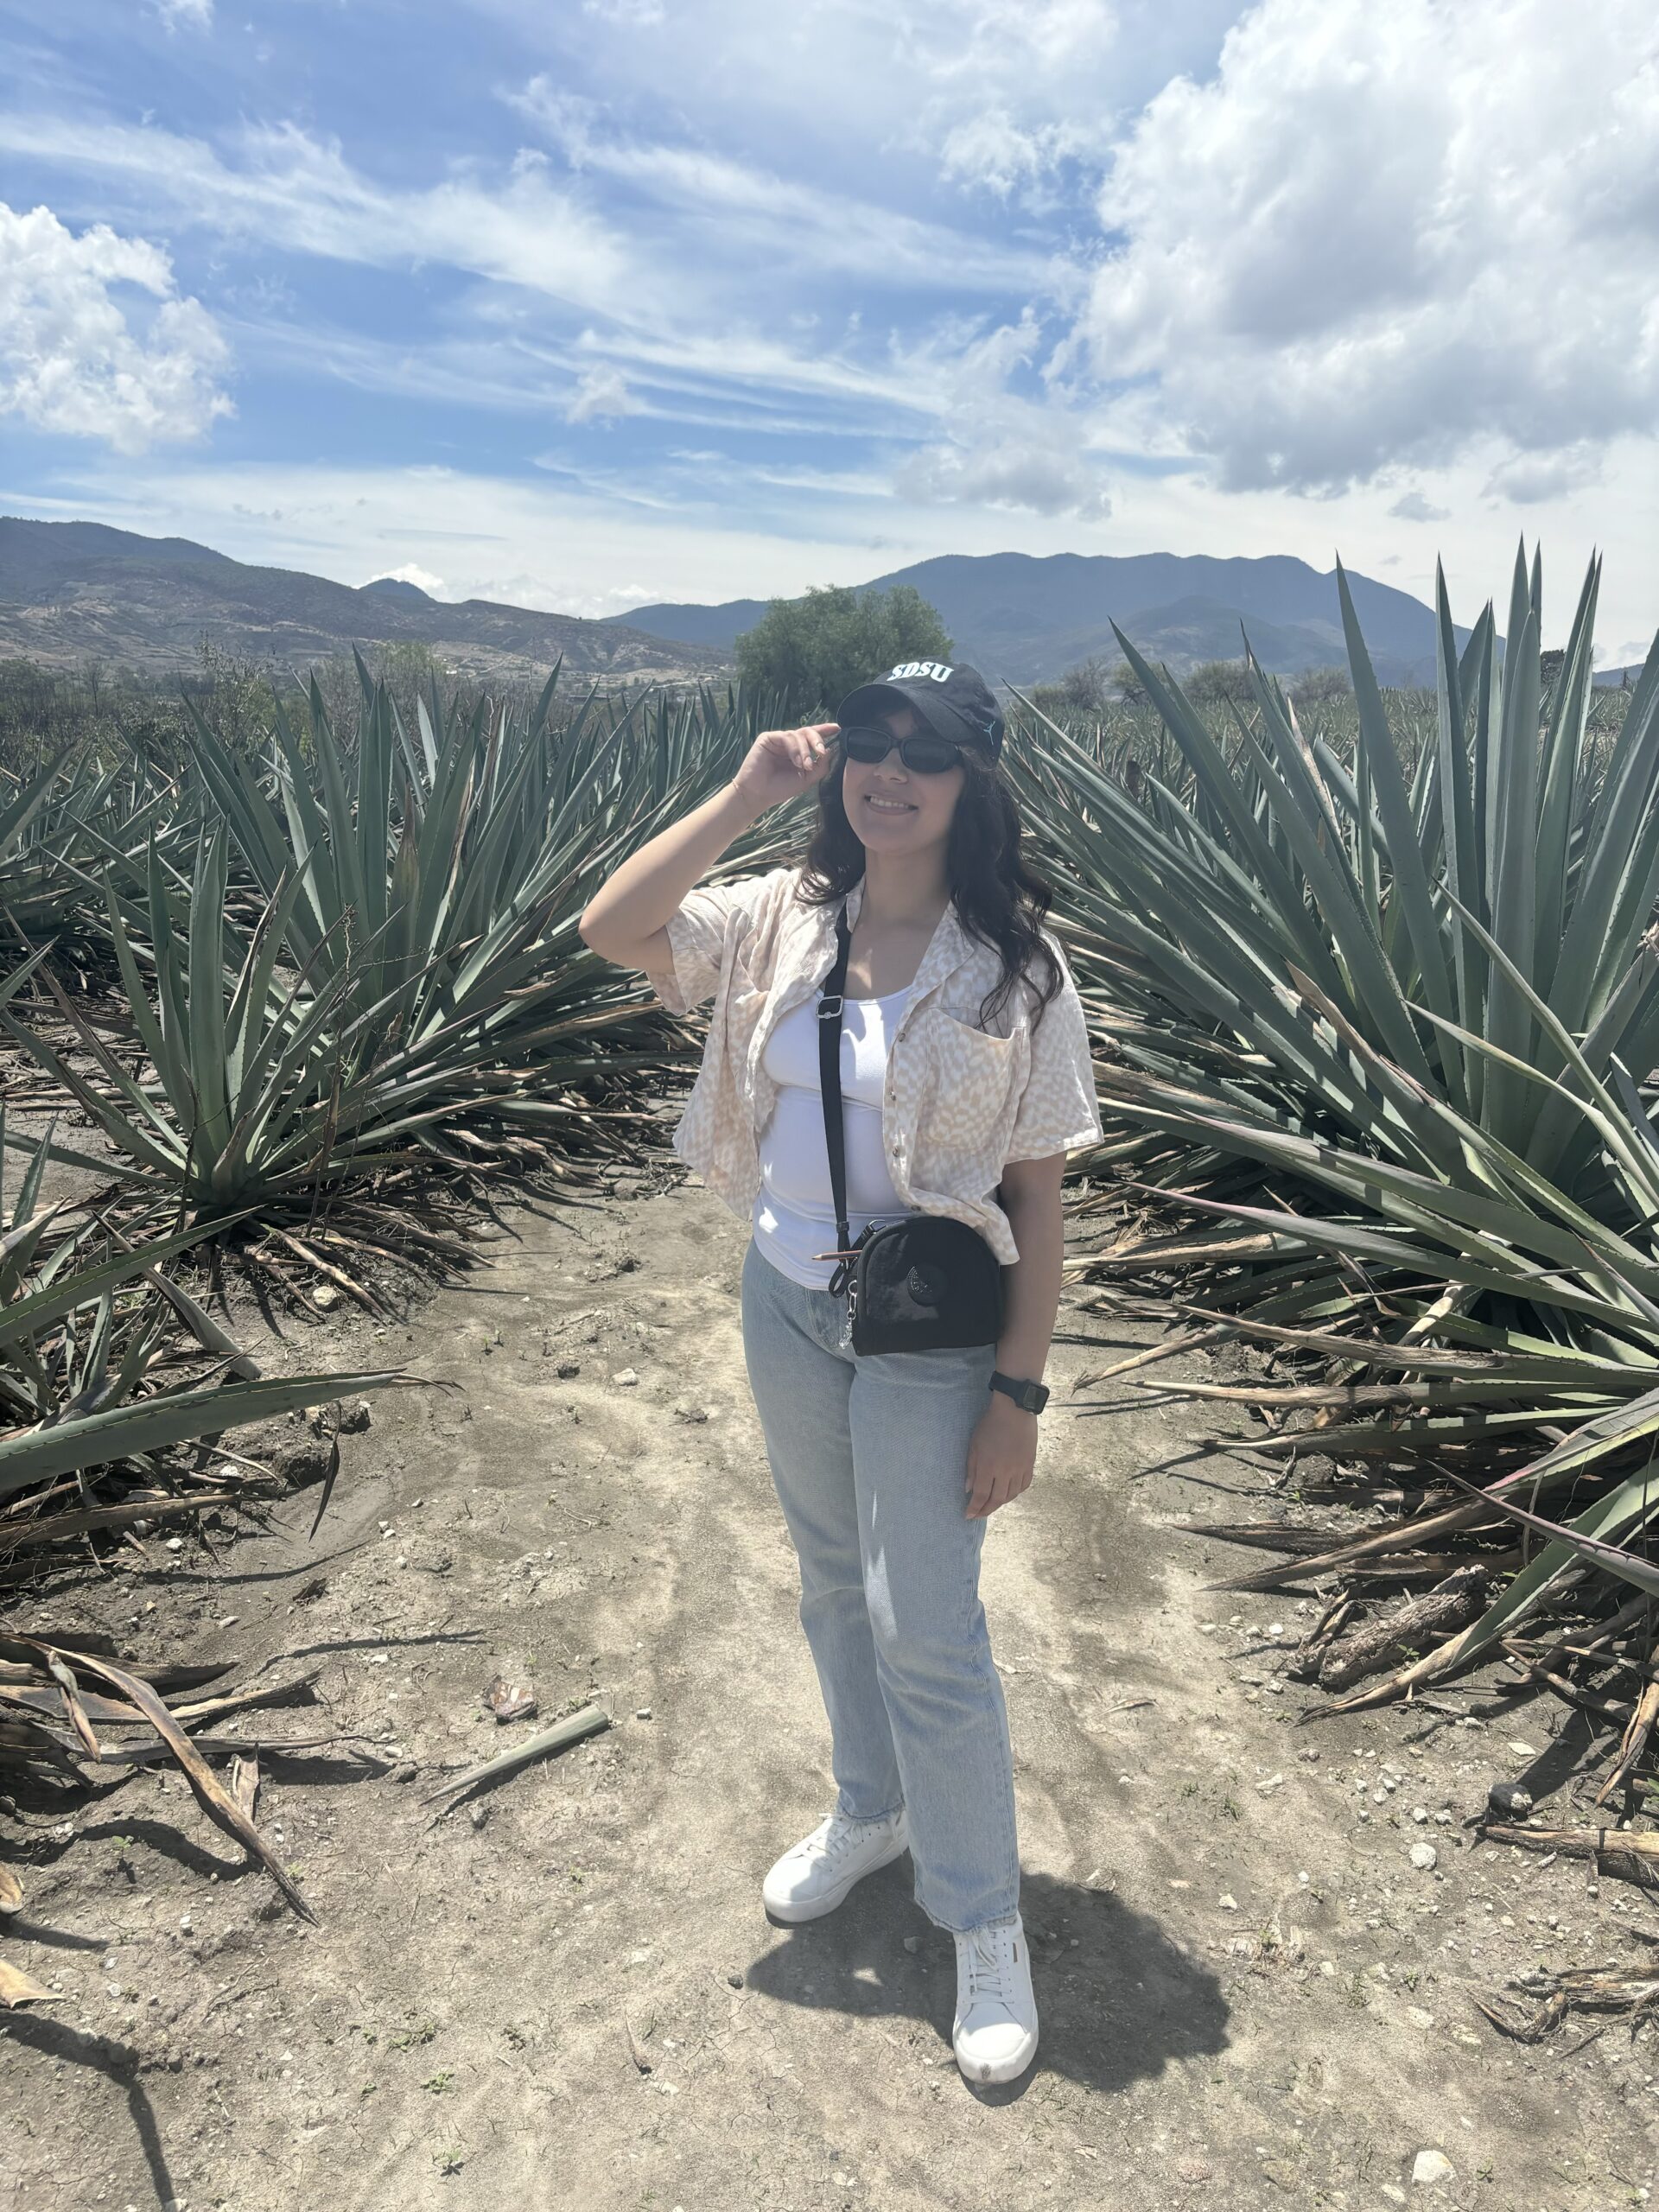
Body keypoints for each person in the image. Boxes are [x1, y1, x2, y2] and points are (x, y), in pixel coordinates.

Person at [578, 660, 1101, 2087]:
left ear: (970, 781)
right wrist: (748, 792)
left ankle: (981, 1916)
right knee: (825, 1583)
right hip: (788, 1303)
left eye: (924, 753)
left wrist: (1019, 1394)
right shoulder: (780, 919)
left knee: (925, 1625)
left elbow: (1043, 1202)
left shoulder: (1018, 969)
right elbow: (609, 926)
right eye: (870, 743)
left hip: (931, 1333)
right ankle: (870, 1810)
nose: (890, 770)